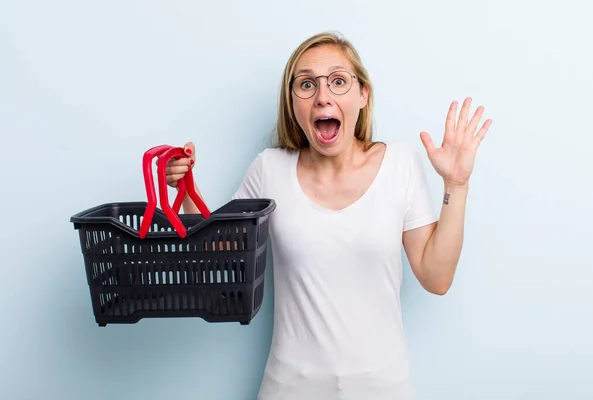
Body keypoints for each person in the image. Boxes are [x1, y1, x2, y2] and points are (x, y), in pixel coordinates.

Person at [165, 32, 492, 400]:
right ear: (292, 102)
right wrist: (186, 190)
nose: (323, 96)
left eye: (338, 81)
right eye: (306, 84)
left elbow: (436, 278)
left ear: (362, 95)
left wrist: (456, 184)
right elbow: (217, 257)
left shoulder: (399, 164)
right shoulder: (270, 169)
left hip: (384, 389)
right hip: (289, 388)